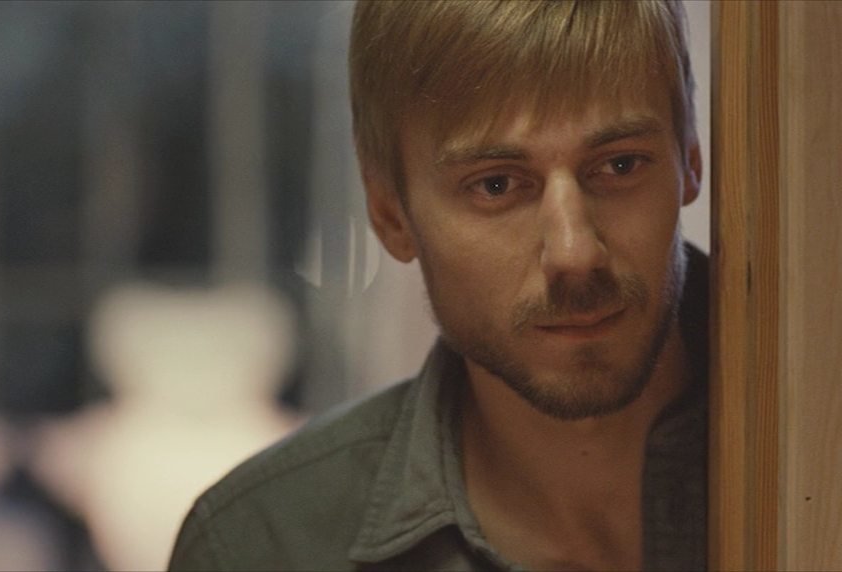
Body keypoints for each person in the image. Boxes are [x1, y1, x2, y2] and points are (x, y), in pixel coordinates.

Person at [169, 1, 707, 570]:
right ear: (390, 213)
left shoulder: (785, 446)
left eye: (621, 165)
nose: (575, 253)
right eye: (496, 185)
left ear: (690, 157)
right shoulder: (261, 548)